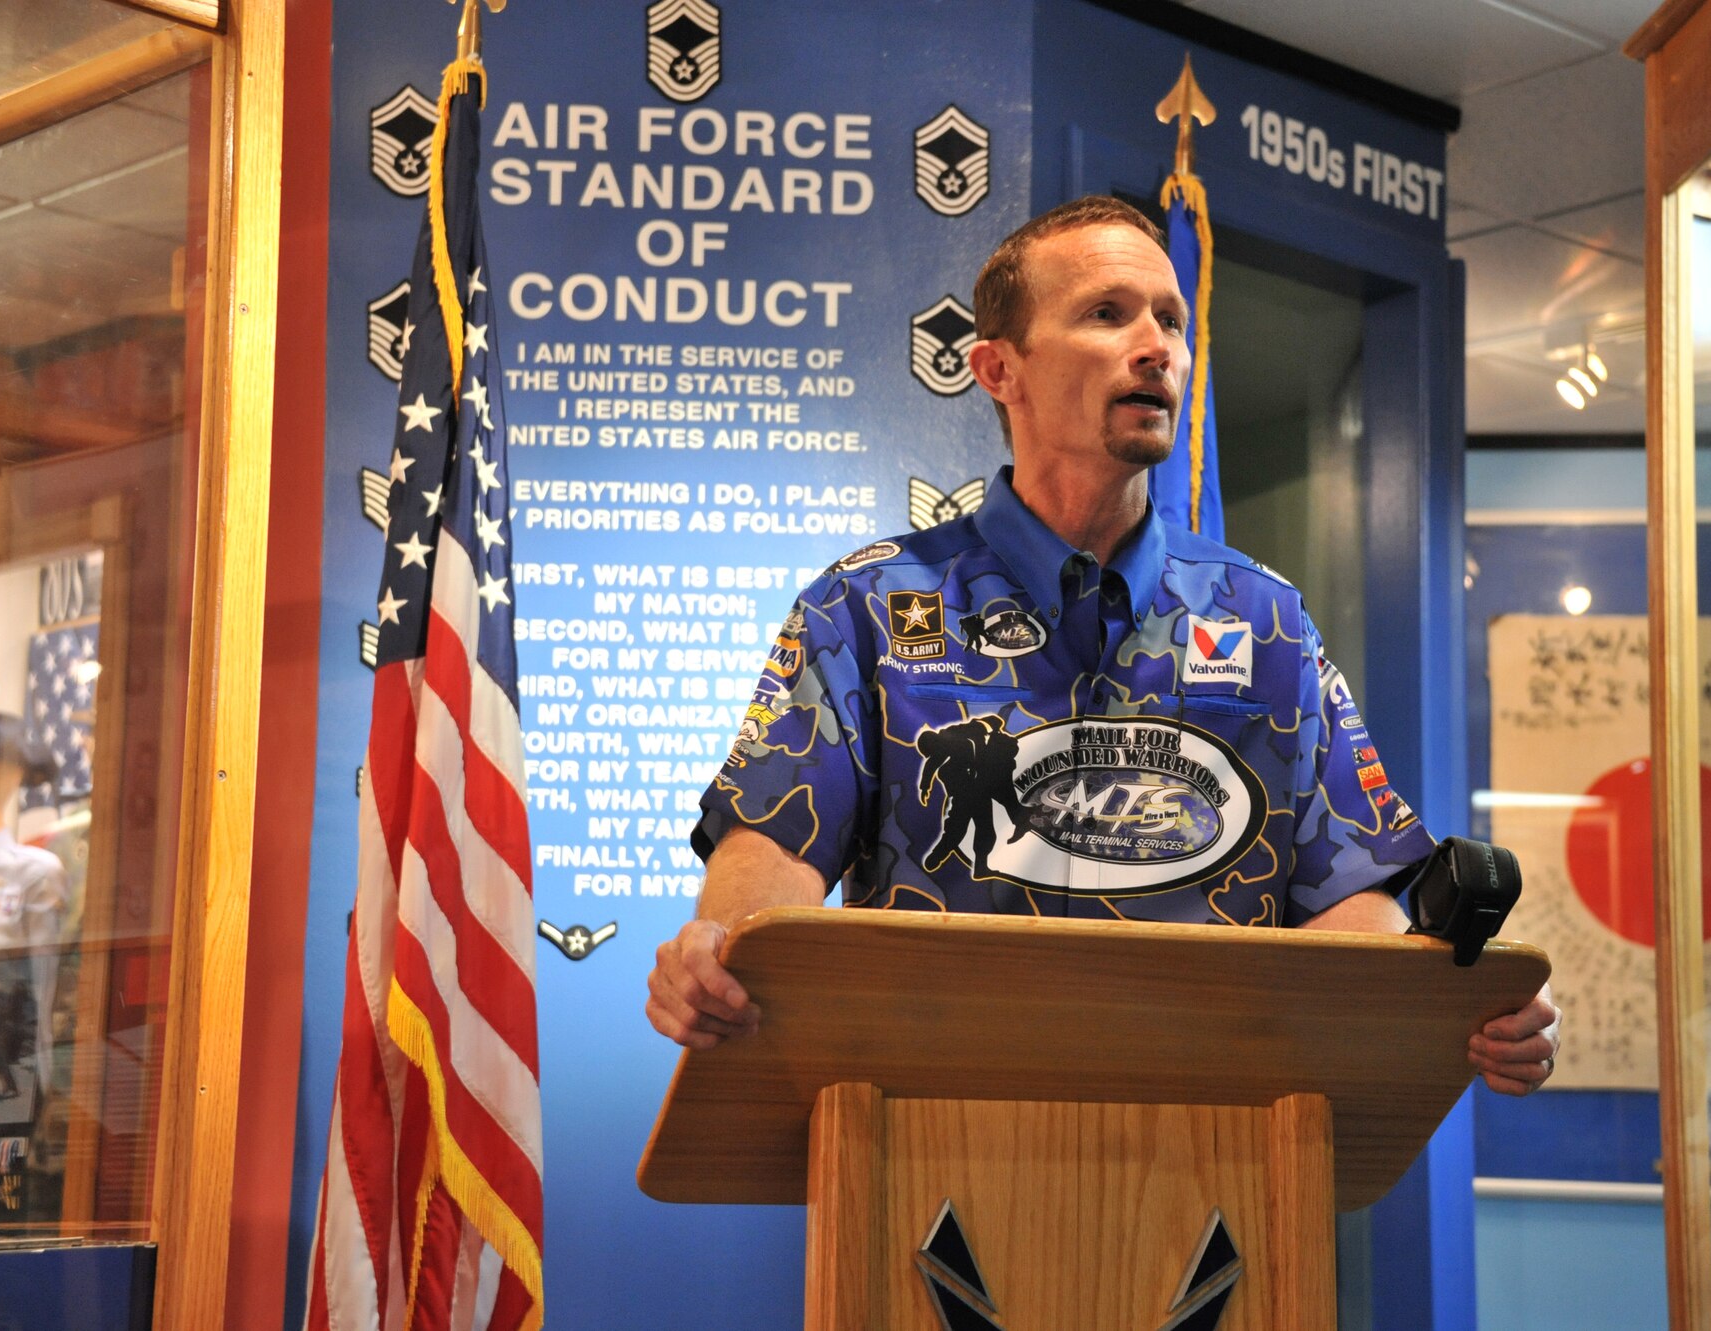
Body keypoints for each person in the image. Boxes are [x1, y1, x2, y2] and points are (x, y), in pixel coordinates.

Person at [646, 196, 1559, 1096]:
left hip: (1217, 1149)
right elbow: (775, 842)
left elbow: (1346, 897)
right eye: (1106, 314)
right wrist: (718, 950)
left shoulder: (1264, 619)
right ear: (999, 370)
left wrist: (1459, 1007)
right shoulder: (870, 605)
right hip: (934, 1133)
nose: (1156, 344)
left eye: (1170, 317)